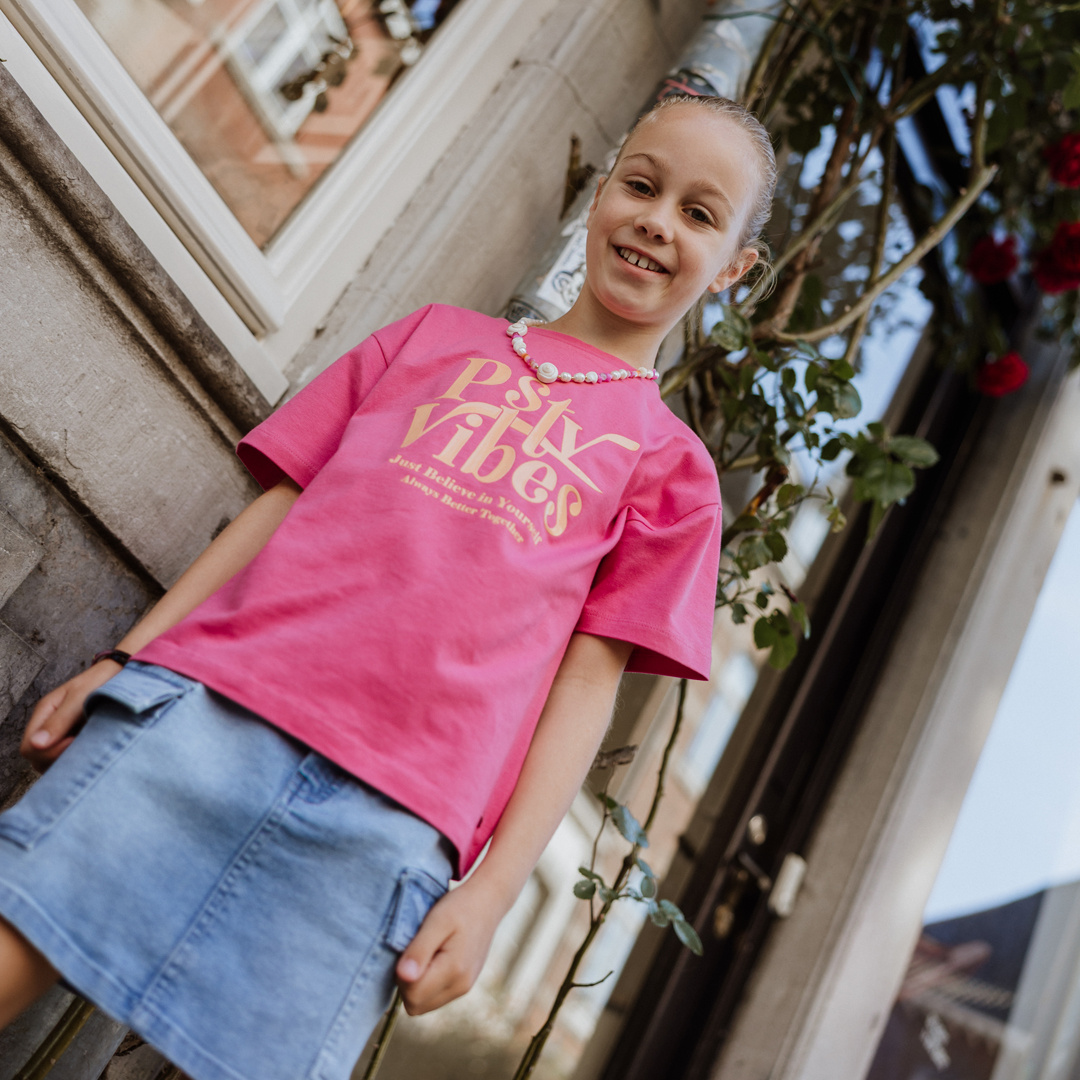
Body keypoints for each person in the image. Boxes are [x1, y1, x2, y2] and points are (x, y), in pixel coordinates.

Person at [0, 94, 776, 1080]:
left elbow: (587, 688)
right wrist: (124, 659)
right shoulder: (429, 340)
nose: (658, 221)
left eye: (700, 215)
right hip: (211, 710)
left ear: (735, 267)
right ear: (602, 192)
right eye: (642, 185)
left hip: (391, 828)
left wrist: (492, 895)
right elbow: (275, 512)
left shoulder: (674, 475)